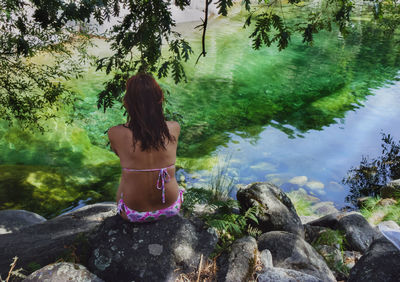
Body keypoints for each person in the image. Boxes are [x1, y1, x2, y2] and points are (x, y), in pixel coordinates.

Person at [107, 73, 183, 222]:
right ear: (160, 99)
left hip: (132, 213)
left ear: (127, 102)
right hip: (171, 209)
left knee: (126, 176)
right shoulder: (174, 128)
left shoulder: (115, 133)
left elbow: (120, 154)